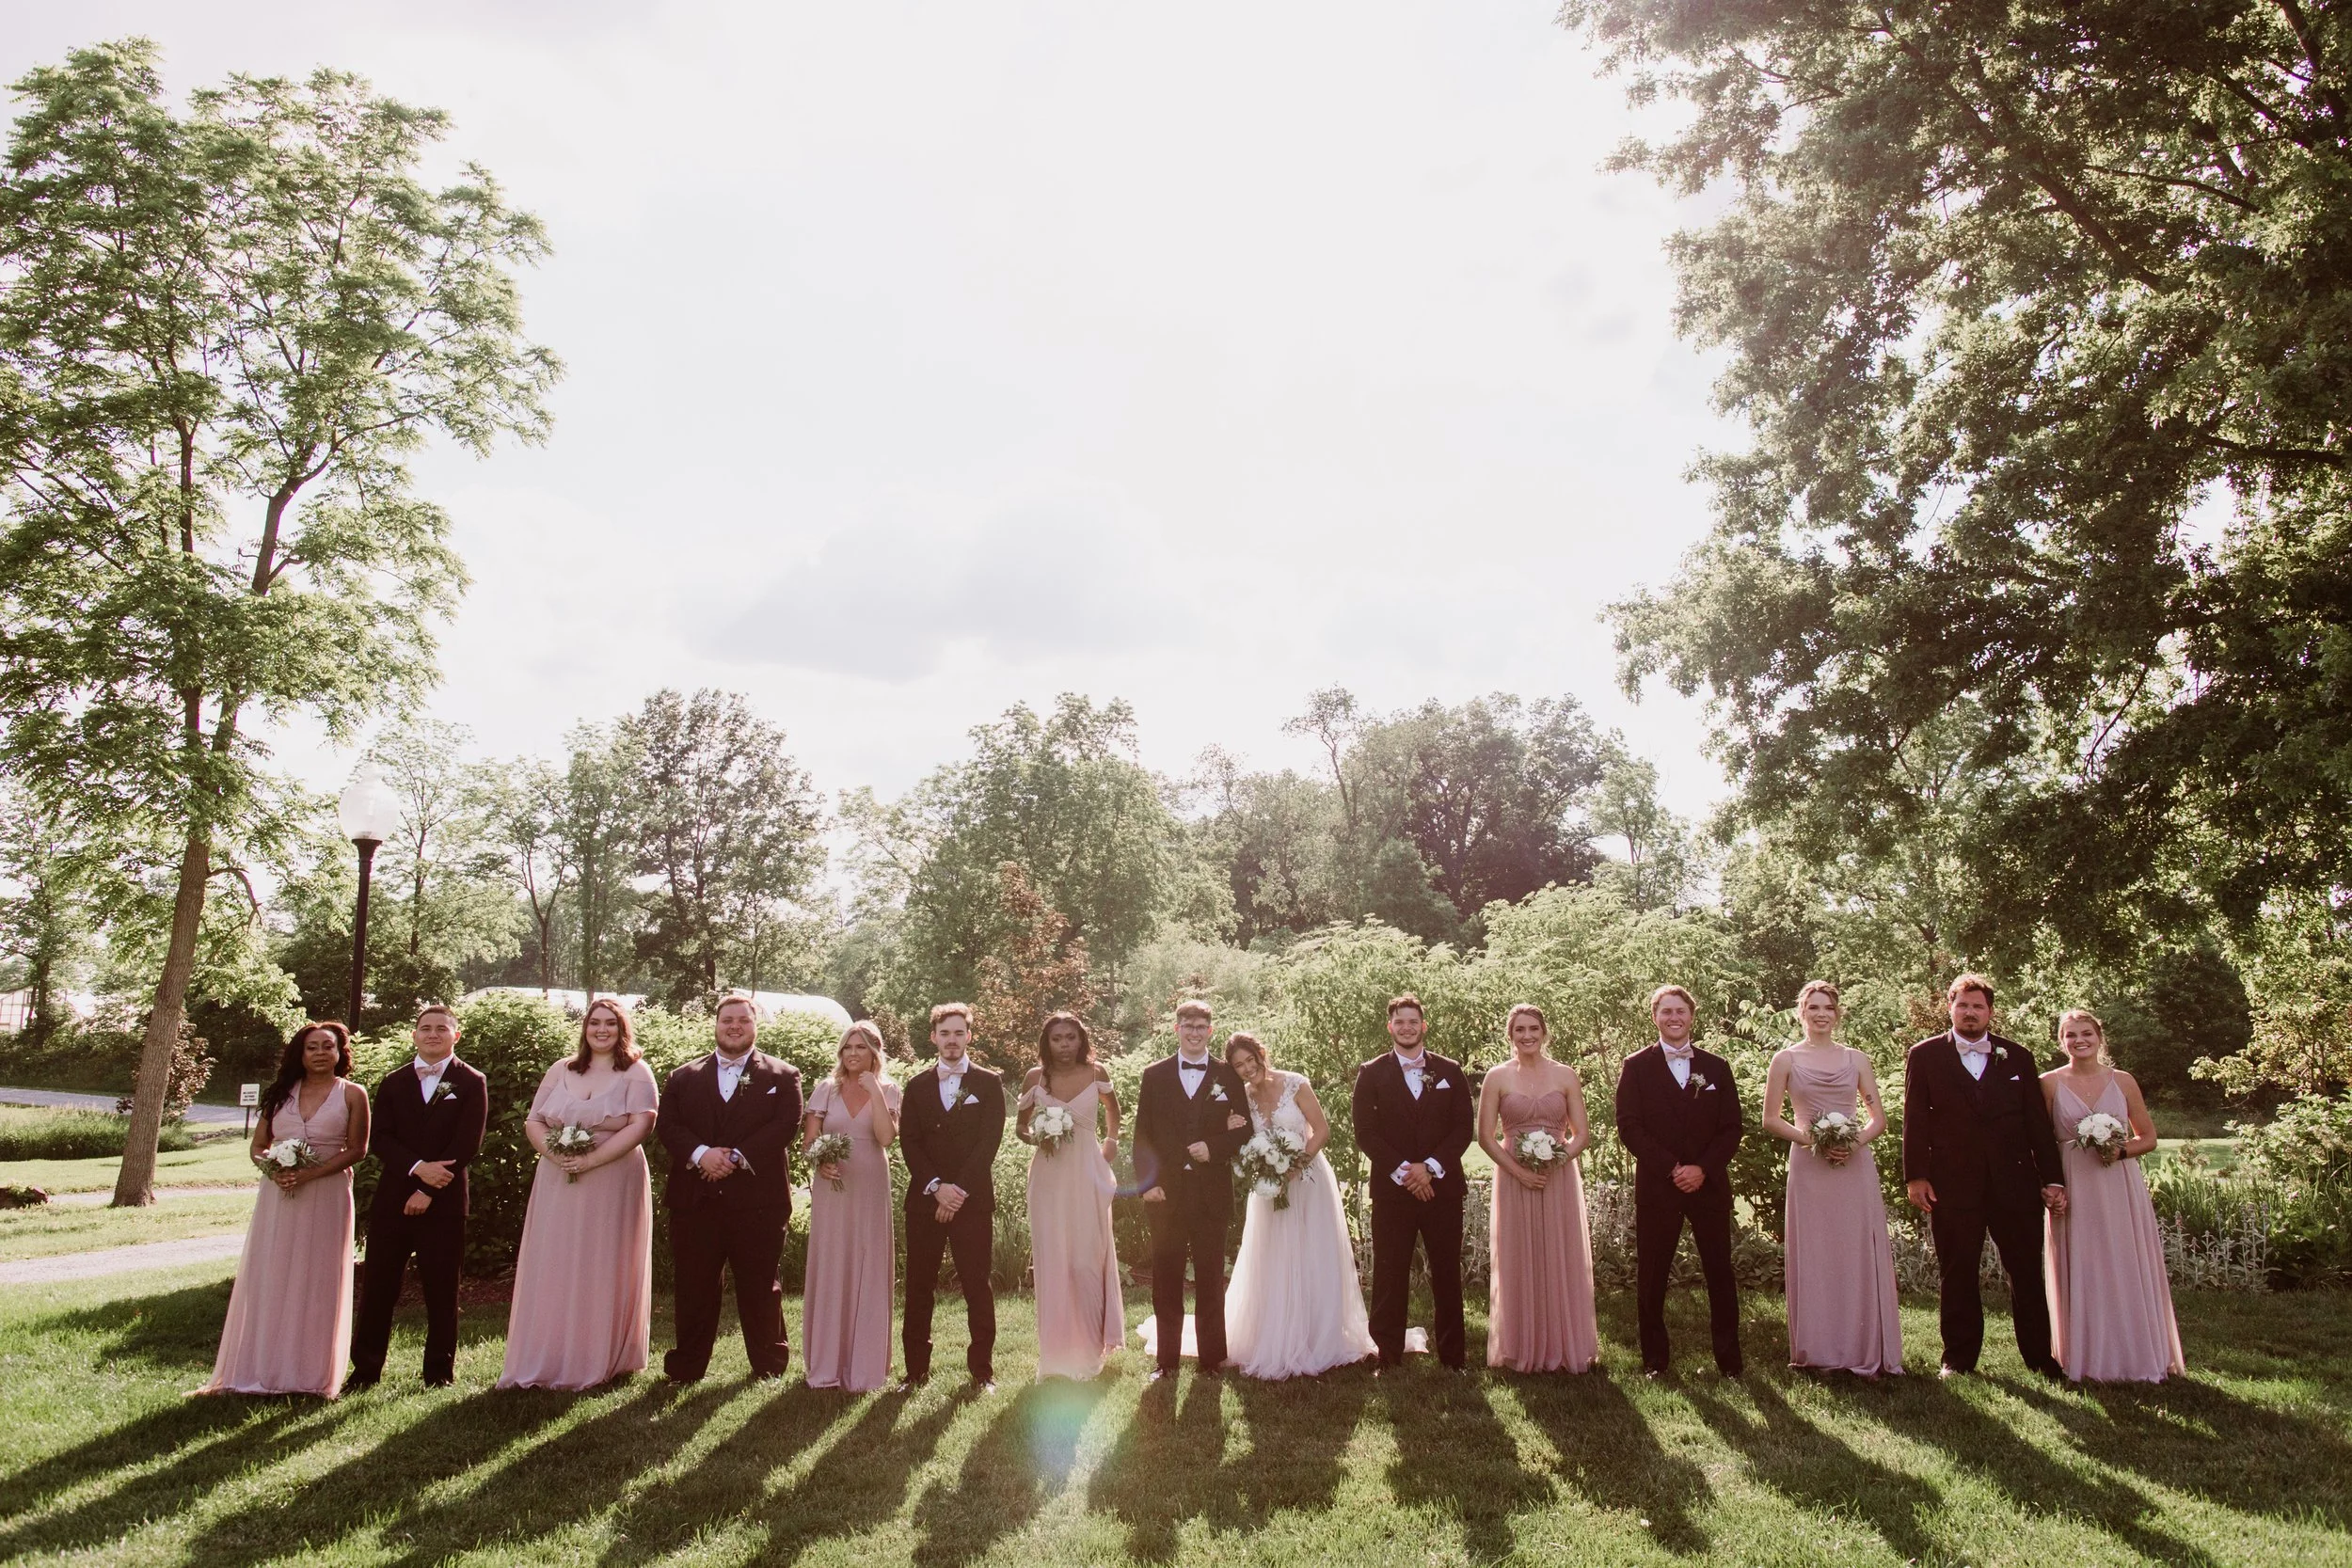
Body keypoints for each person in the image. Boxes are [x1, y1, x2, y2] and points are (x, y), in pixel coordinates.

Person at [1904, 972, 2068, 1379]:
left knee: (2026, 1271)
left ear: (1991, 1012)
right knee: (1957, 1270)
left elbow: (2037, 1125)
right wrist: (1916, 1176)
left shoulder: (2017, 1057)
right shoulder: (1923, 1056)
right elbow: (1915, 1122)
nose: (1971, 1013)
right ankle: (1958, 1360)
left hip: (2015, 1184)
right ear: (1950, 1008)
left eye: (1978, 1006)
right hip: (1952, 1184)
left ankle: (2040, 1359)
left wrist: (2052, 1177)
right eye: (1963, 1005)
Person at [195, 1022, 372, 1397]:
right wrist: (273, 1169)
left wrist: (310, 1174)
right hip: (278, 1195)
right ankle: (260, 1366)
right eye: (312, 1047)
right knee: (272, 1273)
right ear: (300, 1054)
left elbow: (357, 1149)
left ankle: (309, 1374)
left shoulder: (354, 1094)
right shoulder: (279, 1096)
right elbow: (258, 1145)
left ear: (340, 1053)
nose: (321, 1052)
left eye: (329, 1046)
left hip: (327, 1193)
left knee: (318, 1275)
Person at [498, 998, 660, 1390]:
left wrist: (592, 1160)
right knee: (555, 1259)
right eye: (594, 1023)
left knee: (602, 1259)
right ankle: (548, 1352)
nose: (601, 1030)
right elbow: (534, 1120)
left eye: (610, 1024)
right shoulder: (561, 1069)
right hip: (557, 1177)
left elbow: (642, 1124)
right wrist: (556, 1155)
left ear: (623, 1030)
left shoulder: (637, 1072)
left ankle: (599, 1356)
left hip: (613, 1176)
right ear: (585, 1029)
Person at [1760, 981, 1902, 1376]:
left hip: (1853, 1165)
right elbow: (1770, 1119)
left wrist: (1852, 1143)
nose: (1821, 1014)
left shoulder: (1856, 1059)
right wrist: (1814, 1141)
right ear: (1801, 1012)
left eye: (1828, 1008)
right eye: (1813, 1007)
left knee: (1855, 1248)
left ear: (1838, 1015)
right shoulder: (1784, 1060)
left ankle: (1864, 1346)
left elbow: (1879, 1119)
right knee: (1817, 1250)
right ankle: (1819, 1349)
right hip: (1810, 1165)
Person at [658, 995, 802, 1383]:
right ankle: (686, 1369)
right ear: (716, 1024)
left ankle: (769, 1366)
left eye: (742, 1020)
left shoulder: (782, 1076)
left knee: (760, 1286)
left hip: (758, 1202)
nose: (734, 1026)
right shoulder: (682, 1076)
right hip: (695, 1200)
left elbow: (786, 1125)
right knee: (694, 1287)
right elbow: (667, 1126)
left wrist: (735, 1157)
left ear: (755, 1025)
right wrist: (702, 1154)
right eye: (727, 1020)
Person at [350, 1004, 488, 1388]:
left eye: (441, 1028)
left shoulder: (472, 1081)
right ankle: (365, 1372)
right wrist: (415, 1169)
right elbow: (381, 1139)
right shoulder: (394, 1082)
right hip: (393, 1199)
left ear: (455, 1036)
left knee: (442, 1290)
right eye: (425, 1028)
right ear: (414, 1035)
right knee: (378, 1289)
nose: (432, 1034)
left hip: (444, 1203)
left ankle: (439, 1373)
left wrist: (428, 1187)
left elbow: (468, 1143)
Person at [1224, 1031, 1377, 1379]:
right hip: (1269, 1186)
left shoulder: (1295, 1083)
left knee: (1313, 1253)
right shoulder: (1243, 1097)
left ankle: (1317, 1335)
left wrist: (1298, 1165)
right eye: (1239, 1066)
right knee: (1273, 1256)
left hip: (1307, 1181)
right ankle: (1274, 1332)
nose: (1247, 1069)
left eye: (1250, 1060)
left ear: (1262, 1054)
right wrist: (1234, 1131)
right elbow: (1241, 1141)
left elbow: (1322, 1131)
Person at [2042, 1008, 2184, 1383]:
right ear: (2061, 1041)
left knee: (2123, 1263)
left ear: (2099, 1038)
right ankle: (2086, 1358)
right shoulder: (2049, 1083)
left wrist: (2118, 1150)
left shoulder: (2123, 1081)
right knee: (2083, 1263)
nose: (2079, 1040)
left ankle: (2136, 1354)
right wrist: (2049, 1185)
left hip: (2118, 1184)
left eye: (2086, 1033)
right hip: (2073, 1184)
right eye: (2070, 1035)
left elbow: (2148, 1138)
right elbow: (2038, 1143)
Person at [1616, 984, 1745, 1378]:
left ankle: (1729, 1362)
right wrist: (1673, 1168)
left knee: (1720, 1273)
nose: (1674, 1017)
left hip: (1708, 1185)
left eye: (1681, 1011)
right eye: (1666, 1011)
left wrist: (1701, 1168)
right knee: (1653, 1275)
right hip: (1659, 1186)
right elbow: (1630, 1126)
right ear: (1654, 1016)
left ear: (1692, 1016)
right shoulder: (1635, 1066)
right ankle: (1655, 1360)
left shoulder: (1716, 1067)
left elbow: (1730, 1128)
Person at [1351, 994, 1474, 1372]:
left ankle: (1453, 1358)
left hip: (1443, 1189)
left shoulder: (1450, 1071)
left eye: (1413, 1021)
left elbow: (1462, 1128)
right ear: (1390, 1027)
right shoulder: (1371, 1072)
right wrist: (1407, 1171)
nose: (1406, 1027)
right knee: (1390, 1273)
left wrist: (1431, 1168)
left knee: (1447, 1272)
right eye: (1399, 1022)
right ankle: (1387, 1355)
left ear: (1424, 1025)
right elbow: (1366, 1133)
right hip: (1394, 1192)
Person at [1134, 999, 1253, 1380]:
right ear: (1177, 1029)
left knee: (1209, 1277)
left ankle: (1211, 1359)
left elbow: (1245, 1129)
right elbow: (1142, 1136)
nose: (1195, 1032)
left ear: (1211, 1031)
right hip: (1165, 1194)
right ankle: (1166, 1362)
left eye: (1202, 1026)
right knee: (1166, 1278)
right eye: (1188, 1026)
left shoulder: (1227, 1075)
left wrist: (1214, 1148)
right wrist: (1146, 1185)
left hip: (1210, 1192)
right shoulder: (1154, 1075)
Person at [1476, 1004, 1598, 1374]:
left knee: (1559, 1252)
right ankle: (1520, 1345)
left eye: (1533, 1029)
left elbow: (1583, 1134)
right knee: (1518, 1255)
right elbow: (1484, 1137)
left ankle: (1563, 1344)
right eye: (1519, 1030)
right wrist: (1519, 1171)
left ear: (1545, 1033)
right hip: (1513, 1177)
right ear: (1510, 1035)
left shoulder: (1565, 1075)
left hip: (1557, 1177)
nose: (1527, 1036)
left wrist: (1556, 1159)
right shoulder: (1496, 1078)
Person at [897, 1003, 1007, 1392]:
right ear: (933, 1038)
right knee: (919, 1285)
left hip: (971, 1201)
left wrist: (957, 1191)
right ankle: (915, 1373)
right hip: (925, 1200)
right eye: (945, 1033)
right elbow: (908, 1142)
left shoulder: (989, 1084)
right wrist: (936, 1187)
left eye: (959, 1033)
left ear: (969, 1037)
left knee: (977, 1285)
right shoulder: (916, 1086)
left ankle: (982, 1372)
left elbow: (988, 1142)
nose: (952, 1040)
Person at [1017, 1011, 1125, 1380]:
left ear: (1081, 1040)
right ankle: (1055, 1354)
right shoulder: (1036, 1077)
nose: (1064, 1045)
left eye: (1070, 1038)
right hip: (1048, 1177)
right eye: (1057, 1039)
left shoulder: (1097, 1073)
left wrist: (1109, 1143)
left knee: (1086, 1260)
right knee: (1054, 1261)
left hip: (1086, 1173)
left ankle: (1091, 1346)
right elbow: (1020, 1126)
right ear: (1047, 1043)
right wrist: (1039, 1134)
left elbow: (1114, 1111)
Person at [801, 1021, 901, 1392]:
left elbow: (886, 1138)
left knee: (868, 1260)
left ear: (875, 1052)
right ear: (841, 1053)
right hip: (833, 1189)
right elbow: (809, 1142)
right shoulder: (826, 1090)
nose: (853, 1054)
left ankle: (866, 1363)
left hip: (871, 1185)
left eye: (861, 1047)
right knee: (833, 1261)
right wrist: (820, 1162)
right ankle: (827, 1362)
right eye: (848, 1048)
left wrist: (875, 1091)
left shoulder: (889, 1090)